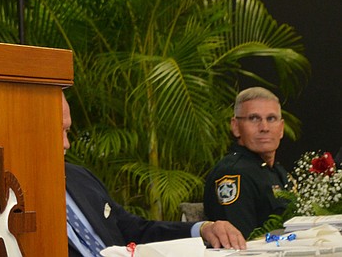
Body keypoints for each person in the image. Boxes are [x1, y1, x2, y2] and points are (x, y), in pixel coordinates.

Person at [61, 91, 246, 256]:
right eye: (57, 130)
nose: (66, 144)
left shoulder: (79, 178)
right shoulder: (32, 201)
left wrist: (203, 229)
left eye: (67, 131)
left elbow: (136, 230)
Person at [204, 86, 291, 238]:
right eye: (254, 118)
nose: (264, 128)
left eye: (271, 119)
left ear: (281, 128)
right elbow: (241, 243)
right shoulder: (233, 174)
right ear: (236, 127)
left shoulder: (277, 171)